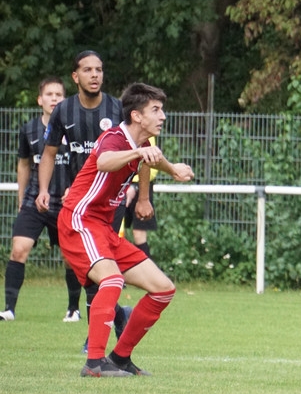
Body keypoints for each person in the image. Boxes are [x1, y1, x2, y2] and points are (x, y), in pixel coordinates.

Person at [60, 82, 193, 377]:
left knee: (163, 289)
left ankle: (120, 358)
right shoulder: (114, 138)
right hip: (79, 221)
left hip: (103, 229)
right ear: (136, 115)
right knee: (112, 280)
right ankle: (94, 363)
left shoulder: (141, 145)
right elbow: (105, 162)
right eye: (155, 110)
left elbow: (149, 159)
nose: (162, 116)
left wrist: (166, 177)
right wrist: (137, 155)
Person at [35, 50, 136, 346]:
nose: (95, 75)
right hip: (80, 204)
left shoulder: (117, 109)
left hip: (110, 202)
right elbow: (49, 153)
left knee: (100, 265)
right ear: (75, 76)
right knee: (90, 267)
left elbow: (138, 150)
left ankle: (98, 334)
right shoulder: (63, 111)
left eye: (99, 69)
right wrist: (43, 189)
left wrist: (138, 193)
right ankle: (117, 317)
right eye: (88, 70)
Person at [1, 77, 83, 322]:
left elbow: (85, 163)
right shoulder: (29, 129)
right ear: (40, 100)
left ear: (65, 100)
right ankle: (9, 309)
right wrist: (22, 198)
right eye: (49, 94)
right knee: (19, 249)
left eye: (59, 94)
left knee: (69, 258)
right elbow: (24, 164)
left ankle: (73, 309)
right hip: (35, 201)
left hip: (67, 203)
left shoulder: (75, 129)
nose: (54, 98)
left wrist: (76, 191)